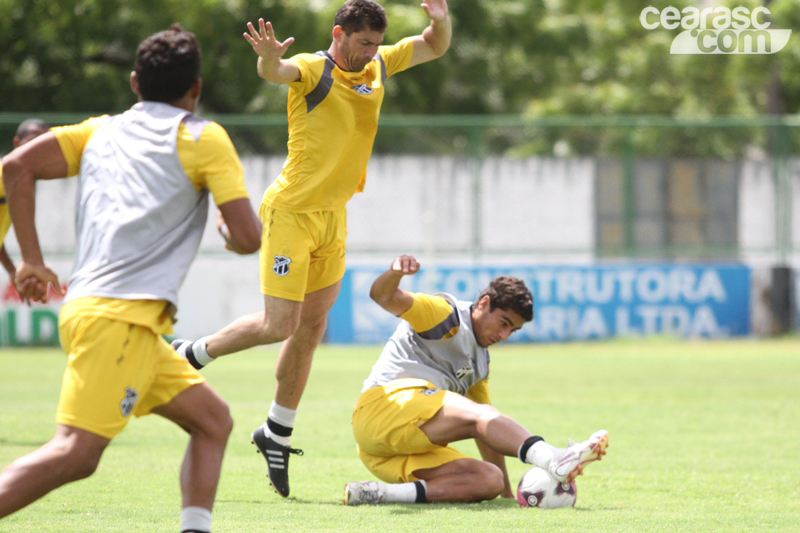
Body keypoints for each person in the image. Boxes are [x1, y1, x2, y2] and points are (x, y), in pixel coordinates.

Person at [171, 0, 452, 499]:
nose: (371, 53)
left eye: (375, 44)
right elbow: (275, 71)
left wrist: (440, 18)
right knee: (280, 323)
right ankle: (192, 353)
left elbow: (434, 45)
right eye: (363, 43)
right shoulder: (313, 69)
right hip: (291, 215)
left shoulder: (379, 63)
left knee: (311, 327)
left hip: (332, 217)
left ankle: (276, 431)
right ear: (339, 34)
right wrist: (264, 57)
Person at [0, 25, 262, 533]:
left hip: (111, 317)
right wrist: (233, 234)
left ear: (135, 82)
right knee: (76, 453)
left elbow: (15, 167)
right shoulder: (204, 138)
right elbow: (249, 238)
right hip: (121, 318)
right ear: (197, 89)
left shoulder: (99, 130)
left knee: (213, 421)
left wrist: (30, 259)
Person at [343, 255, 609, 505]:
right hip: (380, 410)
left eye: (512, 330)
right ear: (483, 303)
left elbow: (487, 431)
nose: (505, 336)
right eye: (503, 323)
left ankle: (379, 493)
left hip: (383, 455)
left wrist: (506, 494)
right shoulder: (444, 315)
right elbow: (382, 295)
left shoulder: (479, 365)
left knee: (487, 479)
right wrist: (395, 272)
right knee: (480, 415)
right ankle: (552, 458)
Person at [0, 119, 49, 294]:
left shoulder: (18, 183)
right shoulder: (4, 177)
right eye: (32, 143)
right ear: (16, 143)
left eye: (44, 146)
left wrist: (12, 270)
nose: (36, 152)